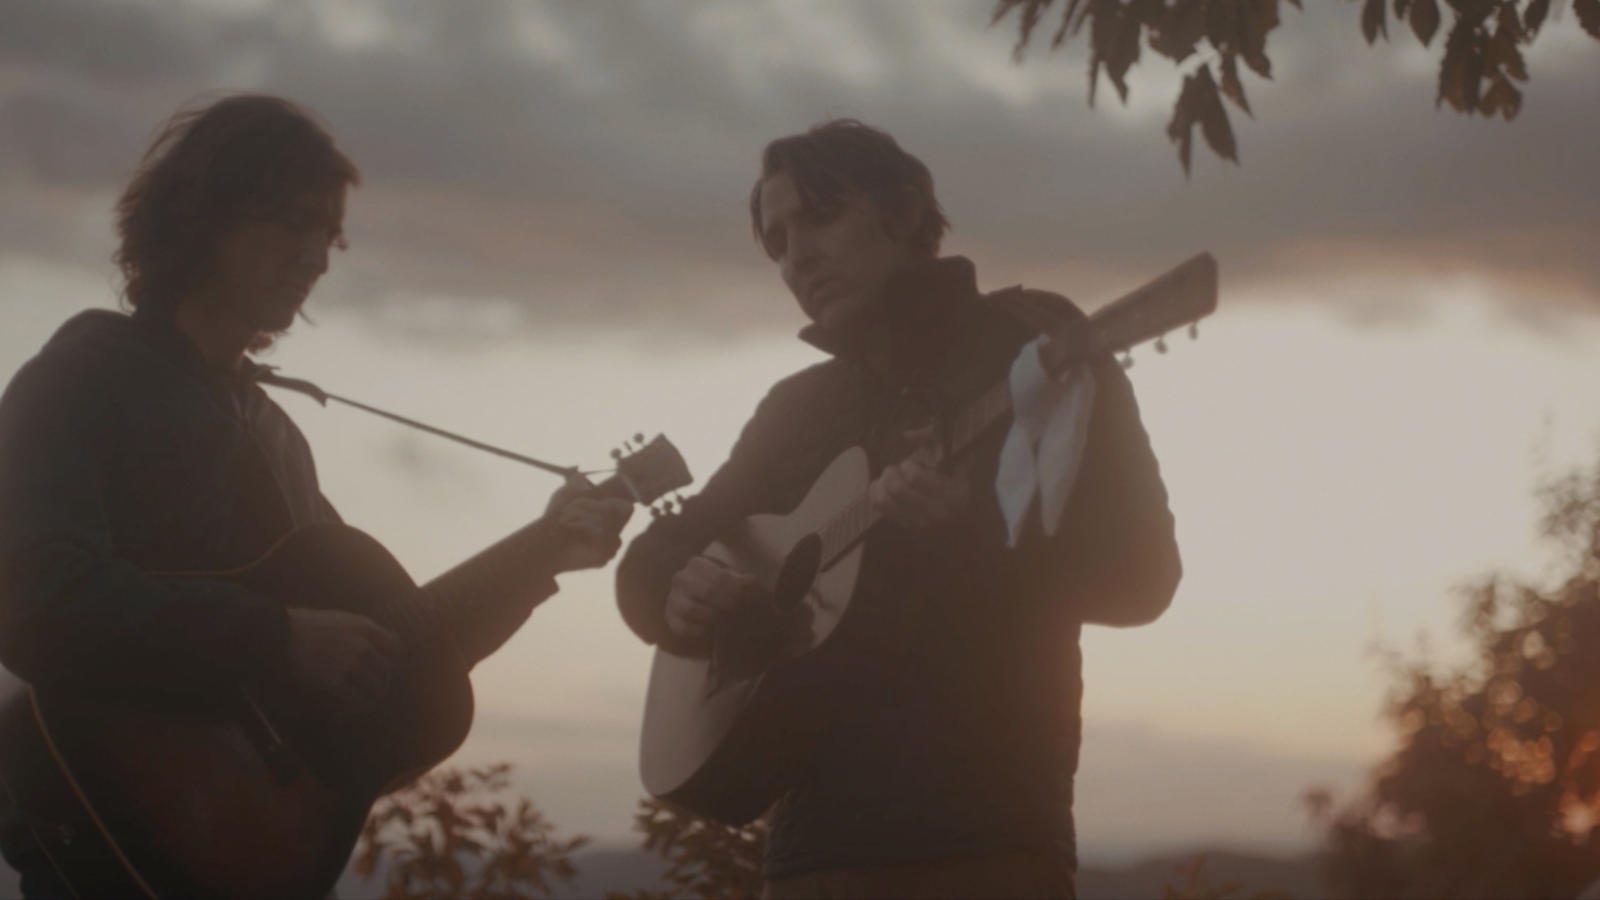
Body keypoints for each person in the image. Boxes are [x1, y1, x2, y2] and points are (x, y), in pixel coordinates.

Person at [0, 93, 632, 898]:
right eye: (295, 222)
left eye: (329, 235)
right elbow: (36, 603)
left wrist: (542, 559)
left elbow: (377, 649)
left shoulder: (277, 437)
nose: (318, 257)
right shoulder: (83, 377)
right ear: (204, 215)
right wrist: (274, 637)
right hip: (97, 850)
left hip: (251, 851)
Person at [616, 119, 1181, 899]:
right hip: (810, 854)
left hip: (988, 843)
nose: (796, 256)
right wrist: (675, 594)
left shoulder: (1039, 353)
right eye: (776, 242)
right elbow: (662, 549)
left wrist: (973, 531)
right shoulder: (796, 409)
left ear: (907, 210)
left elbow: (1144, 580)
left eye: (819, 218)